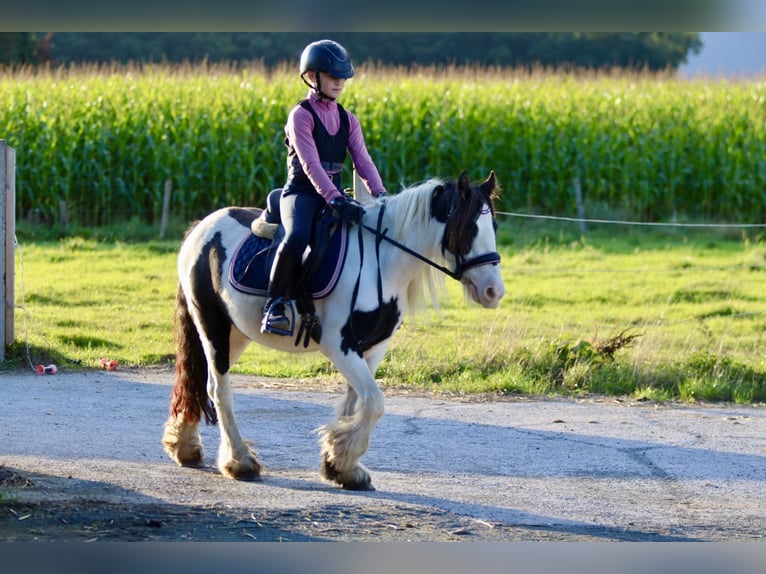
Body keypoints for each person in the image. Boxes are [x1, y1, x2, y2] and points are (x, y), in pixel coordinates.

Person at [260, 39, 388, 336]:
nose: (339, 83)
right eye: (332, 76)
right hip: (302, 194)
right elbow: (310, 165)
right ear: (313, 76)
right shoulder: (301, 115)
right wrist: (335, 198)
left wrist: (381, 196)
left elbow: (364, 162)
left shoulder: (348, 119)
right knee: (297, 236)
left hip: (335, 197)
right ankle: (274, 304)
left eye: (343, 77)